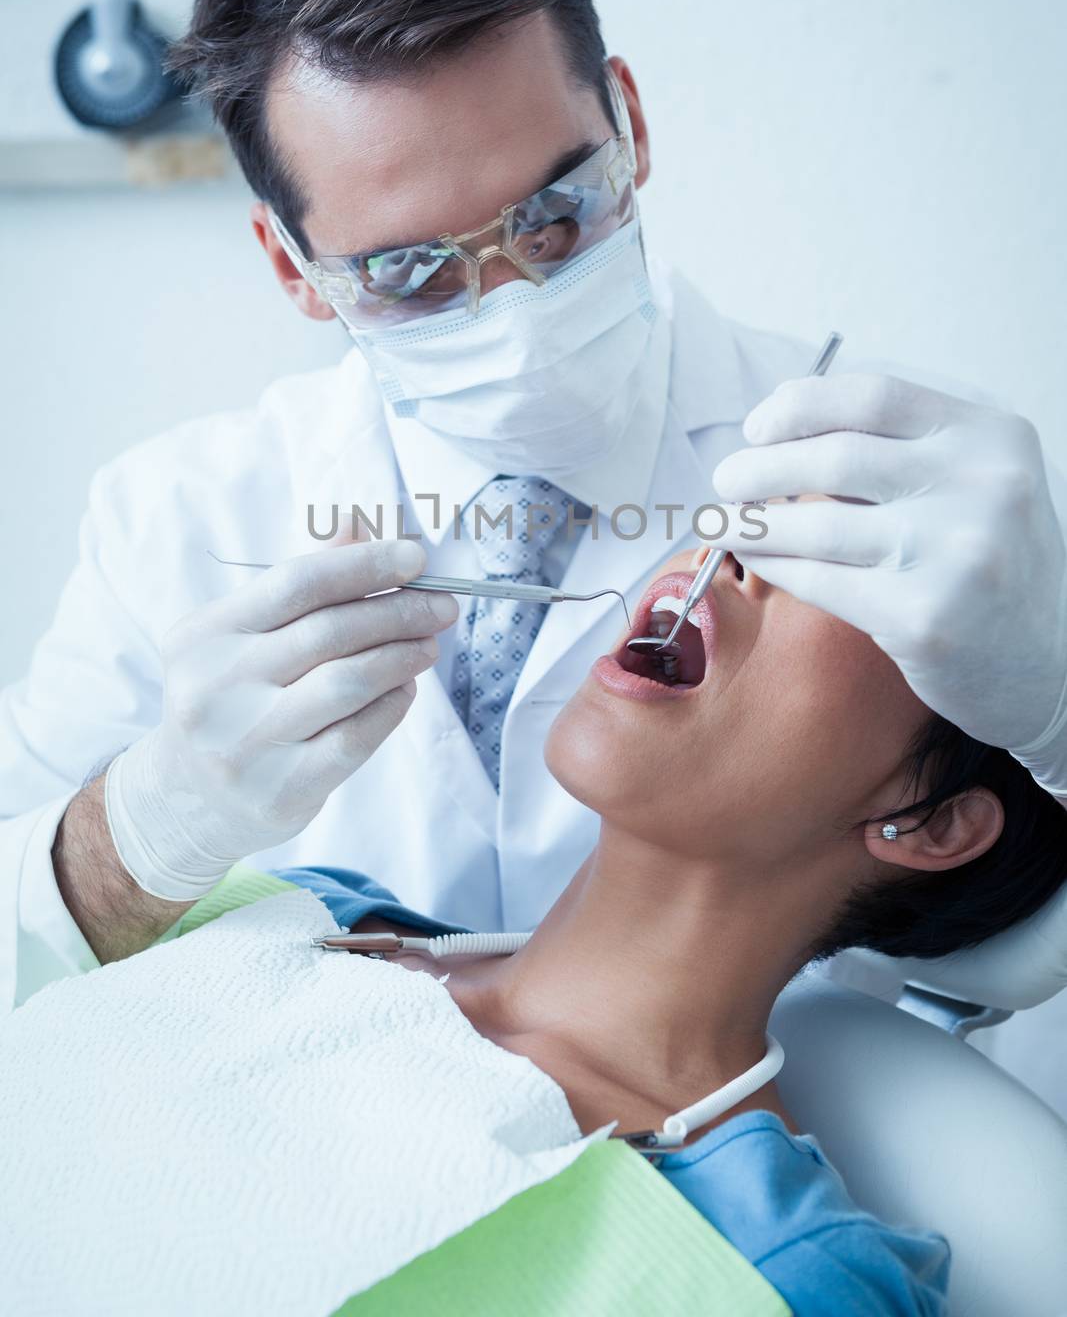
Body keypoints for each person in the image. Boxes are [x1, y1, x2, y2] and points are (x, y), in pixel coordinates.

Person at [2, 0, 1065, 1015]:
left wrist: (1059, 714)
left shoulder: (897, 479)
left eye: (556, 214)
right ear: (292, 267)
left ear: (631, 123)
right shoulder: (179, 519)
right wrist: (150, 823)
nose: (514, 311)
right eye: (409, 271)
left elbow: (989, 965)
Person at [10, 542, 1067, 1314]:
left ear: (927, 823)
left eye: (853, 572)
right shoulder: (295, 902)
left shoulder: (787, 1268)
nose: (736, 551)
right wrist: (125, 829)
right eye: (770, 509)